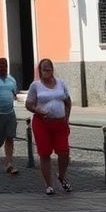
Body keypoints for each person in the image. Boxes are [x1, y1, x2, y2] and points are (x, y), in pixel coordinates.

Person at [25, 58, 72, 195]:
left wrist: (67, 116)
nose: (47, 70)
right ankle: (49, 184)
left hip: (60, 123)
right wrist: (37, 110)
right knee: (45, 153)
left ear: (52, 69)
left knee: (64, 152)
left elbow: (68, 101)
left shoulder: (61, 84)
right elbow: (29, 104)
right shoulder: (36, 86)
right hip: (42, 124)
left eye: (49, 68)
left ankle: (61, 176)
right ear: (39, 70)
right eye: (44, 68)